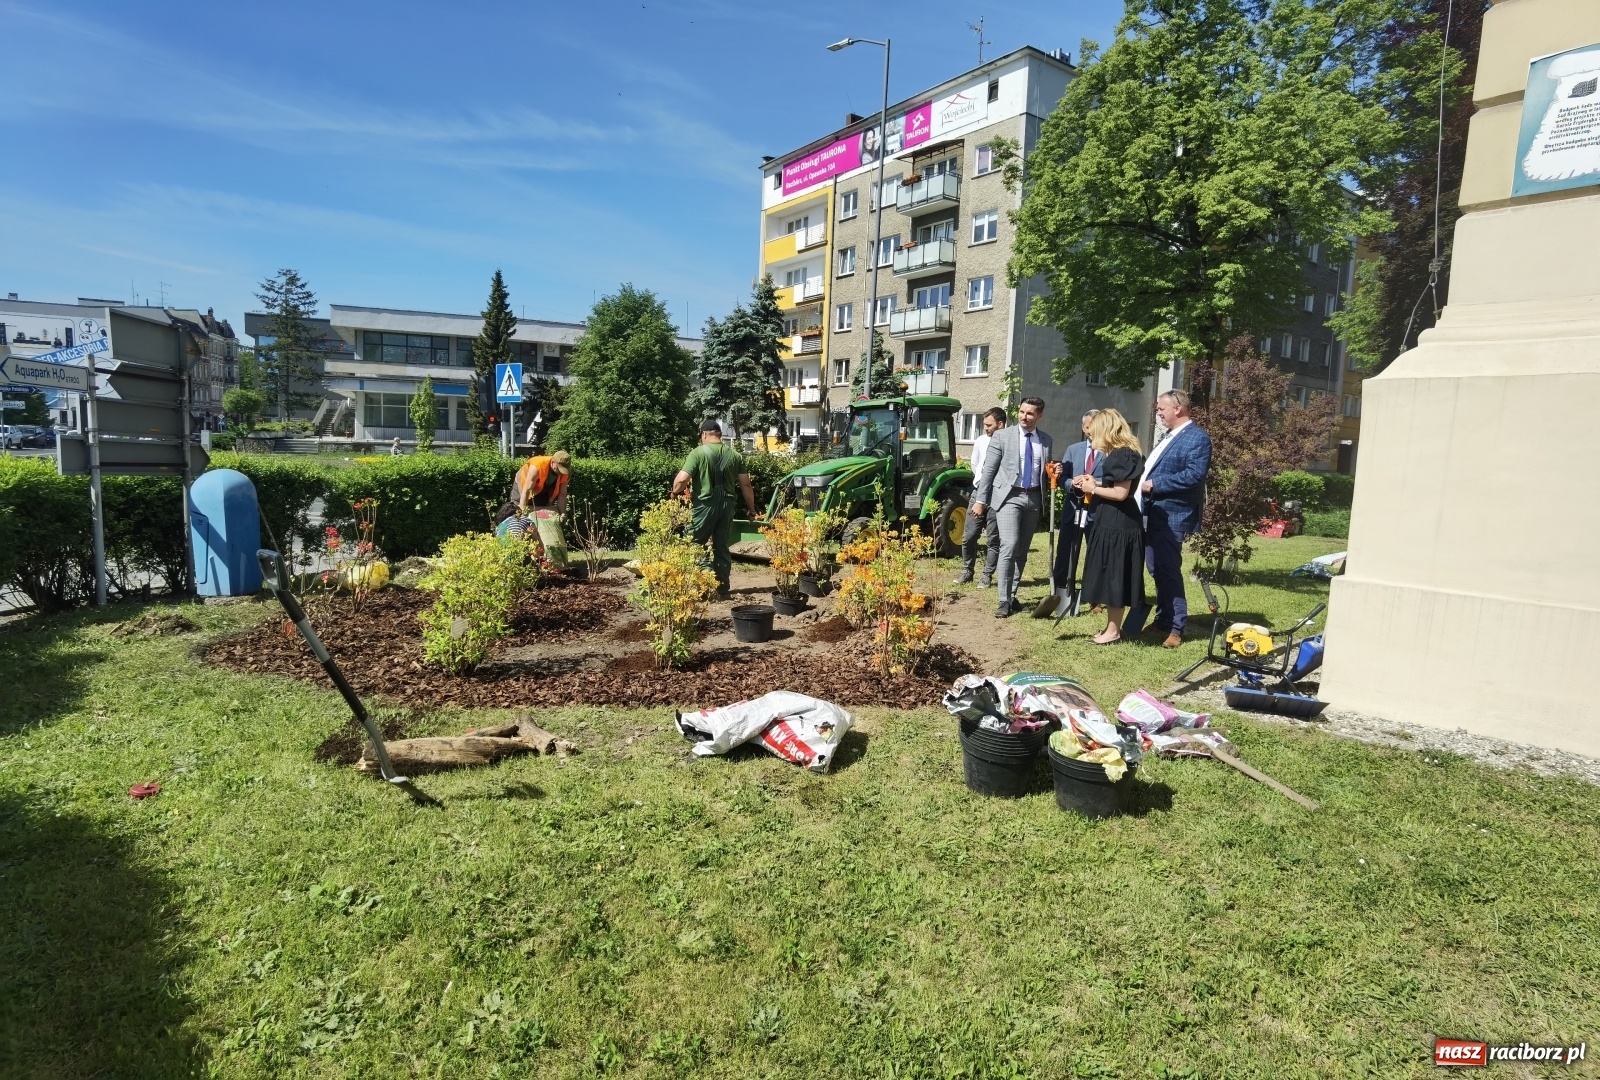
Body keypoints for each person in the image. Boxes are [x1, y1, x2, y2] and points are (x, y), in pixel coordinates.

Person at [1127, 389, 1213, 647]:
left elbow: (1194, 476)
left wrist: (1156, 483)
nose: (1158, 412)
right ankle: (1164, 619)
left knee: (1168, 570)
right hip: (1153, 514)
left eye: (1161, 408)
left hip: (1172, 516)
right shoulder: (1170, 436)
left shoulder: (1197, 438)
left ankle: (1177, 627)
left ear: (1178, 408)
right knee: (1157, 569)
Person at [970, 397, 1054, 618]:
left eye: (1030, 413)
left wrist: (1057, 470)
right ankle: (1003, 601)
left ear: (1039, 416)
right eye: (1022, 412)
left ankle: (1012, 595)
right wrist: (980, 499)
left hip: (1033, 498)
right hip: (1008, 497)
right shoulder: (1002, 436)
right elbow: (988, 470)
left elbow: (1045, 470)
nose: (1024, 417)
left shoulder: (1045, 440)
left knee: (1022, 550)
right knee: (1009, 545)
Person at [1072, 409, 1145, 644]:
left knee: (1116, 576)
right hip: (1113, 520)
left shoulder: (1122, 454)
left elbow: (1121, 493)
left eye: (1093, 434)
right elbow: (1115, 485)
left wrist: (1092, 489)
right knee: (1111, 575)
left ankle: (1113, 632)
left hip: (1119, 524)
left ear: (1105, 430)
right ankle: (1110, 629)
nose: (1091, 438)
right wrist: (1096, 482)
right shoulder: (1122, 452)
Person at [670, 419, 760, 599]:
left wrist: (674, 492)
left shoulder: (697, 453)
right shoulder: (735, 455)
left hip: (705, 506)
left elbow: (681, 480)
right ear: (719, 435)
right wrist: (751, 510)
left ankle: (703, 583)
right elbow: (746, 485)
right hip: (727, 506)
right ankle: (722, 589)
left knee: (693, 543)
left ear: (704, 434)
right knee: (721, 546)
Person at [1051, 410, 1104, 609]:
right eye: (1089, 426)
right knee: (1065, 551)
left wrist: (1094, 484)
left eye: (1097, 426)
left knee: (1095, 554)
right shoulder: (1073, 449)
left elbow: (1112, 480)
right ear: (1084, 428)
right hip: (1073, 509)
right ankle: (1059, 593)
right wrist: (1071, 484)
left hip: (1097, 511)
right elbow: (1062, 477)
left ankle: (1095, 598)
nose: (1092, 431)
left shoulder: (1110, 451)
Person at [954, 406, 1007, 586]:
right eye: (984, 424)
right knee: (969, 535)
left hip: (998, 495)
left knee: (993, 538)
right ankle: (967, 571)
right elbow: (976, 464)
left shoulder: (1008, 442)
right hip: (978, 492)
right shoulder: (981, 441)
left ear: (1000, 424)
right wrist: (982, 483)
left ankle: (986, 575)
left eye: (989, 425)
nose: (985, 428)